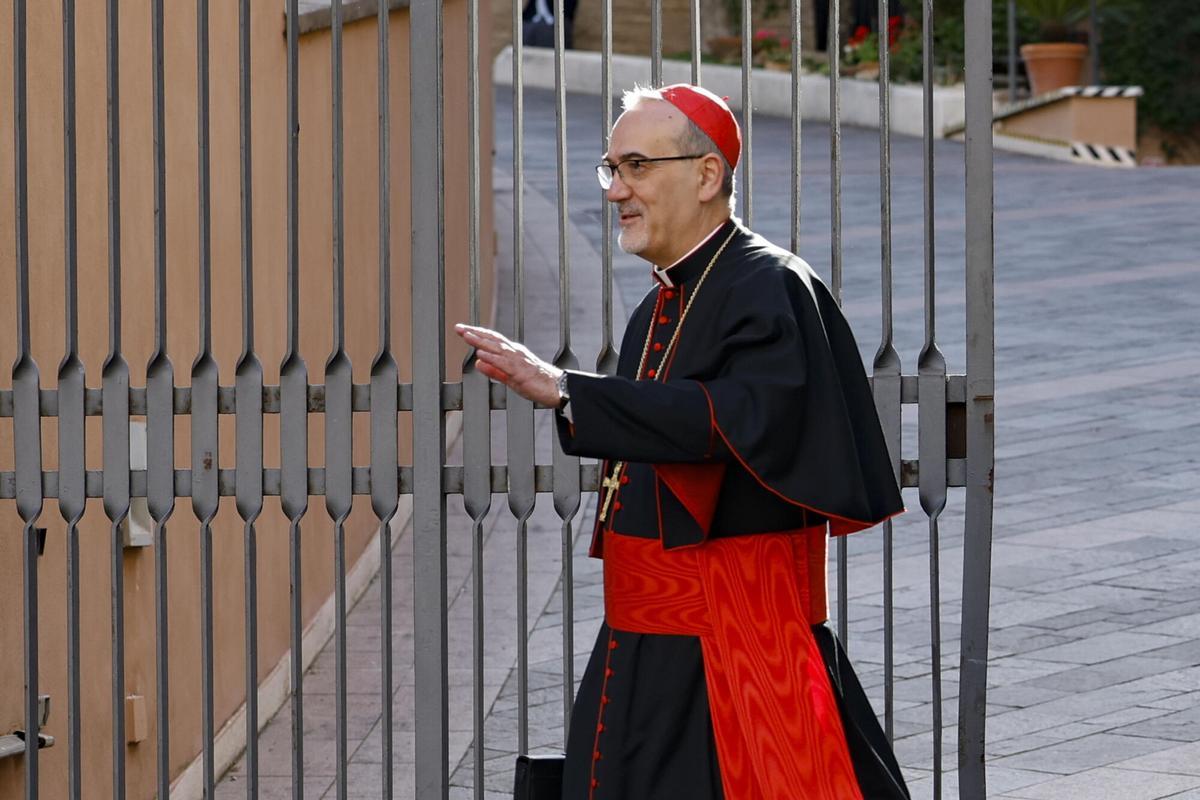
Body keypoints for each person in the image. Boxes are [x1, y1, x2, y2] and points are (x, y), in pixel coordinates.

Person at [455, 84, 909, 799]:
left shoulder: (773, 287)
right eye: (611, 168)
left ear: (706, 175)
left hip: (735, 649)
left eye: (636, 166)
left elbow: (742, 416)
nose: (616, 191)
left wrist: (567, 388)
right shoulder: (659, 303)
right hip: (647, 645)